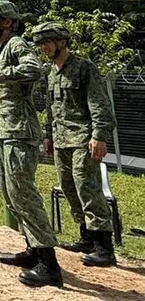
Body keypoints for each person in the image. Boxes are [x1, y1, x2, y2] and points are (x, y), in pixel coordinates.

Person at [0, 0, 62, 288]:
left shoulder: (17, 44)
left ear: (7, 21)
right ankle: (33, 250)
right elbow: (11, 90)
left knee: (23, 192)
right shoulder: (4, 50)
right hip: (6, 131)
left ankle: (49, 264)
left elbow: (33, 69)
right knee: (12, 194)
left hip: (20, 132)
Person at [34, 21, 117, 267]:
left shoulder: (83, 68)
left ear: (61, 42)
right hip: (61, 140)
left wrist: (99, 135)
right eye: (41, 43)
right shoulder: (50, 71)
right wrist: (48, 135)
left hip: (83, 138)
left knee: (87, 187)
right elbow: (50, 108)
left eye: (48, 42)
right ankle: (86, 236)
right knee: (69, 187)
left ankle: (104, 246)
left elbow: (99, 104)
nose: (44, 47)